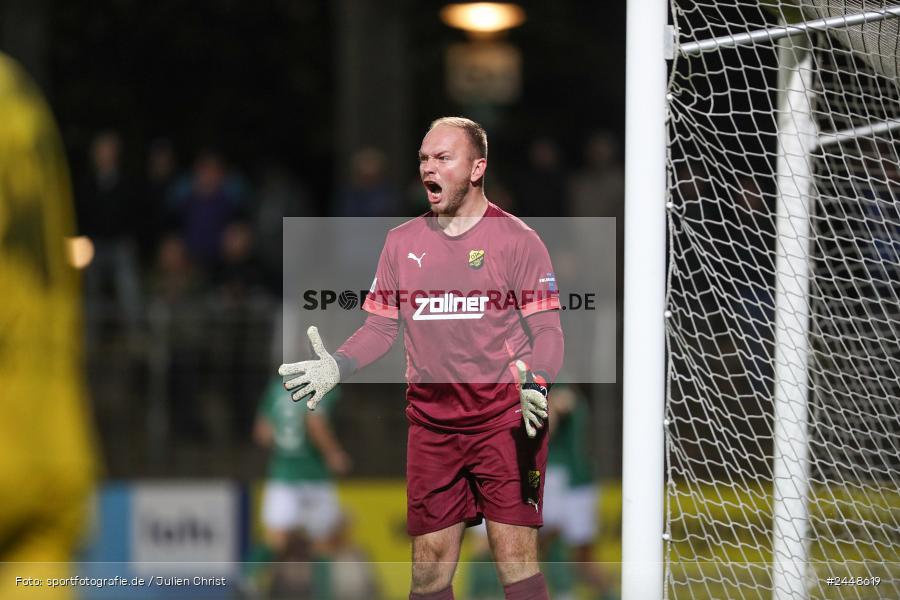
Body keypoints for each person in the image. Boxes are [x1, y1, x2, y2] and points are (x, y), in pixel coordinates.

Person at [280, 117, 564, 600]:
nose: (428, 168)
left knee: (512, 557)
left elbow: (547, 330)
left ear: (477, 168)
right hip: (432, 427)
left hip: (504, 419)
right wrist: (339, 365)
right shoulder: (401, 242)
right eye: (424, 158)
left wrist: (537, 383)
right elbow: (380, 326)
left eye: (442, 158)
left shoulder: (519, 241)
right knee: (428, 567)